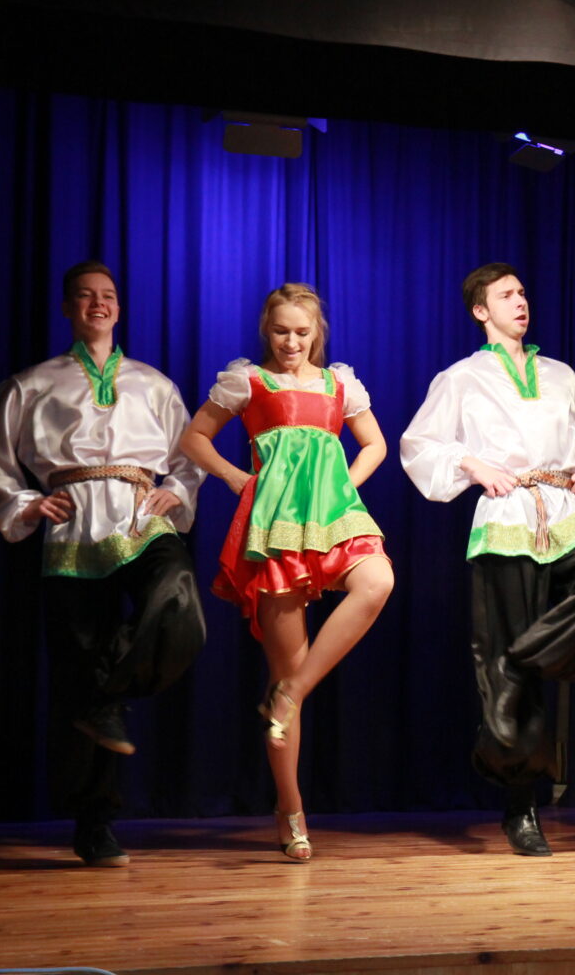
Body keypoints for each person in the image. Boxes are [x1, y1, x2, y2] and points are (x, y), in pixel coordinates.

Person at [0, 260, 207, 866]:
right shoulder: (32, 384)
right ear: (67, 307)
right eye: (84, 295)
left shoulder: (153, 384)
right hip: (73, 523)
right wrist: (25, 502)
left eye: (108, 295)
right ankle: (95, 824)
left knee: (178, 598)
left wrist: (176, 490)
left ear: (119, 308)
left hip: (138, 515)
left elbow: (189, 454)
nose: (98, 304)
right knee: (78, 662)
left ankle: (108, 693)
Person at [401, 262, 575, 858]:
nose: (520, 301)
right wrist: (472, 464)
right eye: (506, 295)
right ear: (481, 311)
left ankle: (522, 658)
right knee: (513, 686)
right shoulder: (461, 377)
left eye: (523, 292)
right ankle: (521, 810)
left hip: (563, 506)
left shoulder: (561, 375)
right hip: (506, 512)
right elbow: (419, 445)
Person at [180, 283, 393, 862]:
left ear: (317, 333)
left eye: (302, 332)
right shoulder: (248, 382)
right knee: (286, 667)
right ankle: (290, 808)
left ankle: (293, 695)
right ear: (266, 331)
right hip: (275, 525)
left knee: (377, 580)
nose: (292, 341)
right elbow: (194, 437)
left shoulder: (340, 384)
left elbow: (375, 444)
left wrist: (345, 482)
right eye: (281, 331)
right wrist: (235, 477)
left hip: (336, 514)